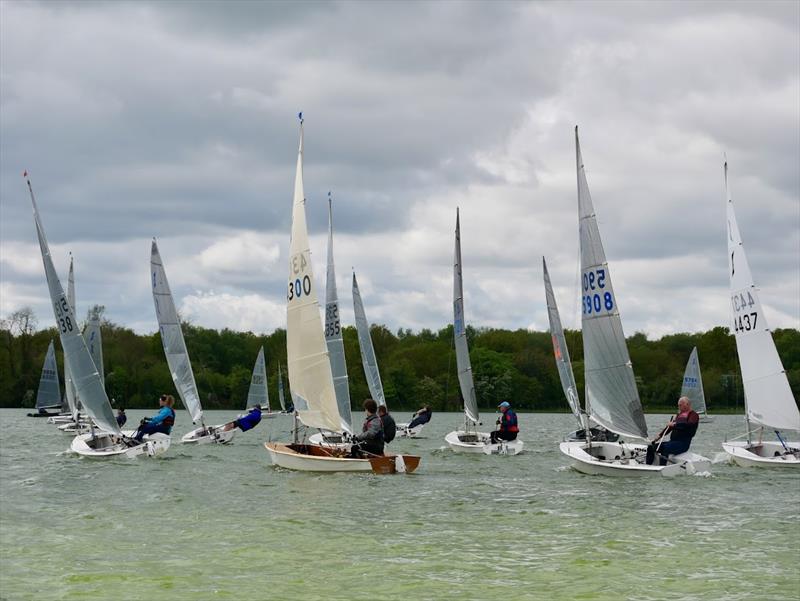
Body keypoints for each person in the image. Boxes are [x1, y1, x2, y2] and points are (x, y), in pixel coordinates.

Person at [646, 396, 699, 465]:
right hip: (673, 442)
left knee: (665, 448)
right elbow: (669, 428)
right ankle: (648, 465)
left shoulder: (693, 415)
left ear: (687, 404)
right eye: (678, 405)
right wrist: (659, 436)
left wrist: (675, 424)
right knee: (651, 447)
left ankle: (662, 467)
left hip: (683, 444)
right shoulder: (679, 415)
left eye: (680, 405)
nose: (679, 407)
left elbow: (689, 424)